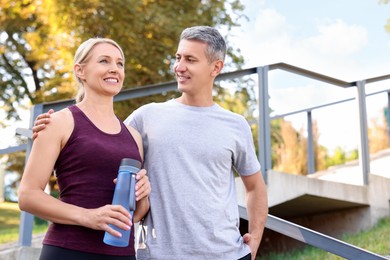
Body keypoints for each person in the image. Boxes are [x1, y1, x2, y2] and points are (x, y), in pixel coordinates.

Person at [32, 26, 268, 260]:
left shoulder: (235, 125)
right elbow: (98, 140)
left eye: (190, 60)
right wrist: (49, 128)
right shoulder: (146, 117)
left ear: (216, 67)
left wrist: (255, 237)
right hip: (157, 255)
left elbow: (255, 187)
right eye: (178, 58)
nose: (179, 67)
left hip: (226, 254)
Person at [18, 38, 151, 260]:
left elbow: (135, 216)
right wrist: (88, 216)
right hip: (68, 251)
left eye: (120, 63)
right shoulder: (58, 122)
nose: (114, 69)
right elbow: (27, 195)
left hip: (122, 254)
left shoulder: (134, 136)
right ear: (80, 71)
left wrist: (143, 196)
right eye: (104, 61)